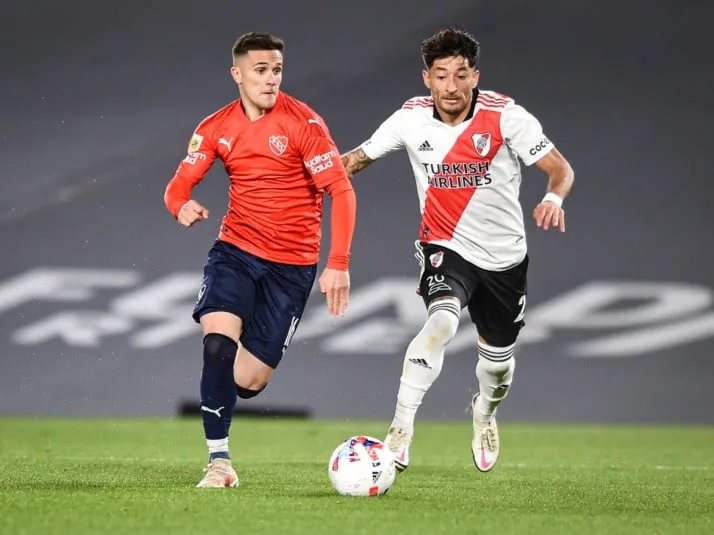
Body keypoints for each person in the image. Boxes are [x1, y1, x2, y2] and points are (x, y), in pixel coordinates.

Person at [340, 27, 574, 473]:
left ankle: (484, 412)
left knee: (498, 367)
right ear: (426, 78)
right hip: (445, 245)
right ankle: (400, 428)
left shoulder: (506, 117)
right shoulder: (409, 119)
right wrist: (295, 183)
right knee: (441, 322)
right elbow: (352, 162)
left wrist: (552, 198)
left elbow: (560, 169)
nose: (451, 86)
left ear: (474, 77)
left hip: (504, 258)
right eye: (442, 75)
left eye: (461, 75)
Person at [164, 32, 356, 488]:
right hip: (236, 251)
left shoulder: (304, 124)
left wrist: (339, 262)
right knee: (217, 344)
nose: (271, 80)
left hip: (292, 267)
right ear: (238, 74)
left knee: (248, 381)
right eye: (261, 70)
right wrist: (180, 205)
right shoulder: (216, 127)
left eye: (277, 71)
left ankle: (220, 390)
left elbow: (341, 191)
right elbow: (177, 186)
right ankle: (219, 463)